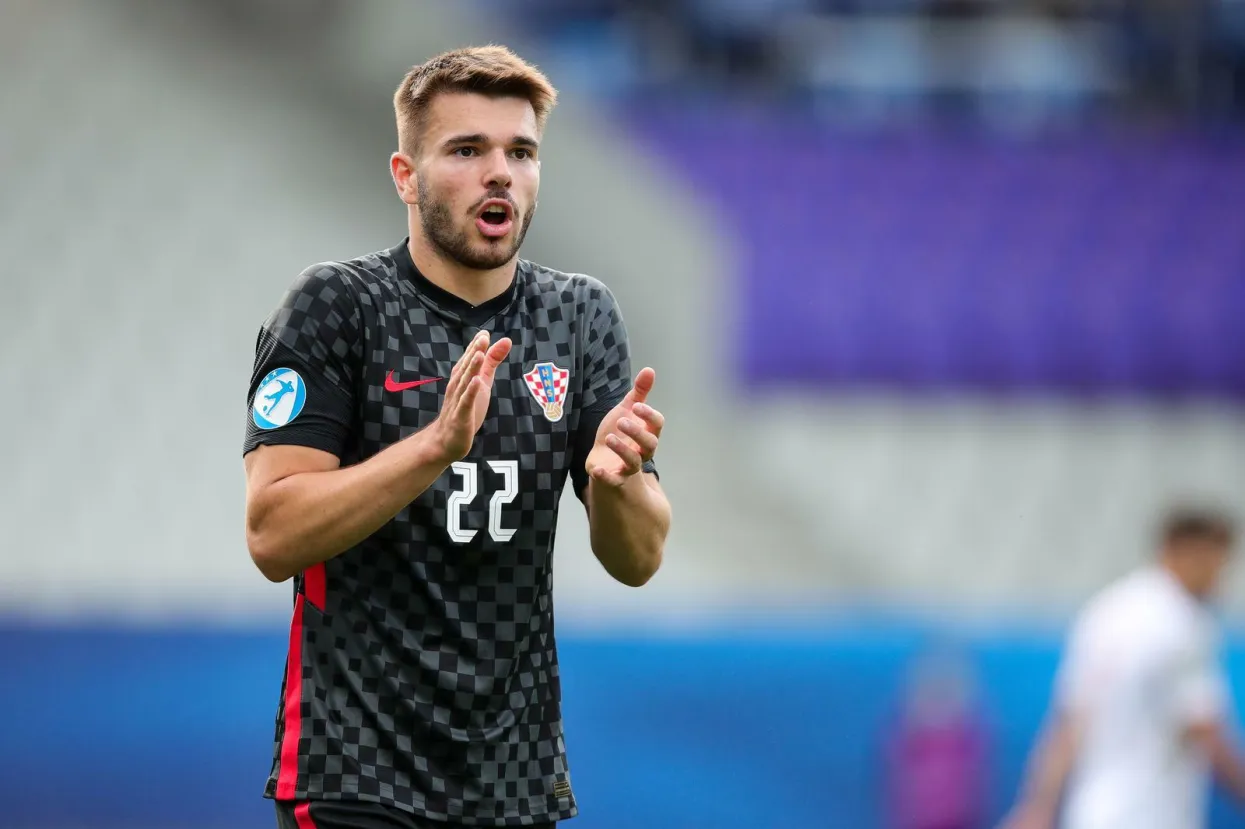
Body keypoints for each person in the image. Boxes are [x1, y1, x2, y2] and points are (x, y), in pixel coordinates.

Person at [242, 45, 672, 829]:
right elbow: (272, 534)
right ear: (405, 176)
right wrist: (432, 448)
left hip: (513, 780)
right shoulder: (338, 307)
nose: (499, 172)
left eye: (520, 151)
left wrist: (619, 485)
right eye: (467, 150)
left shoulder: (579, 318)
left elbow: (637, 559)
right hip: (354, 773)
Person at [1000, 507, 1245, 829]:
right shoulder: (1184, 623)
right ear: (1185, 550)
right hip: (1155, 816)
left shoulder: (1105, 611)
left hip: (1092, 813)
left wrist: (1037, 806)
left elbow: (1069, 724)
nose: (1218, 576)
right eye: (1215, 561)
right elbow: (1205, 731)